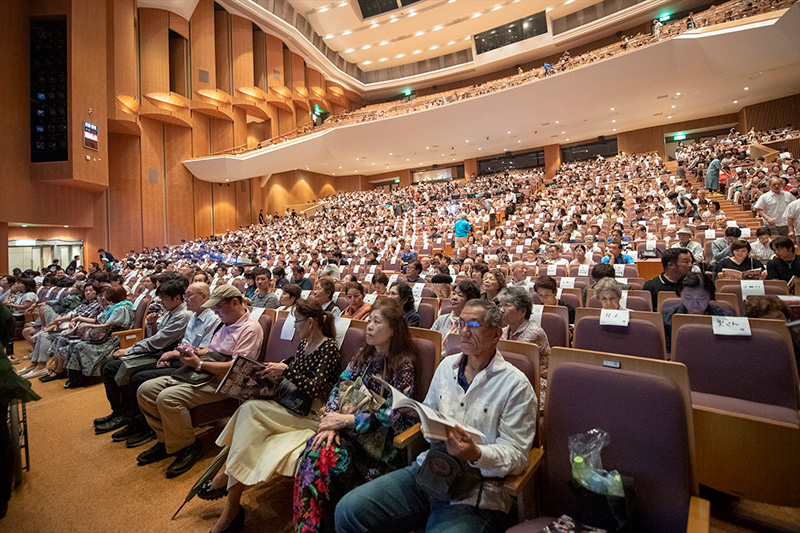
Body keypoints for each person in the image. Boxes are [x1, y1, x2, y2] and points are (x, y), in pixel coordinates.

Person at [335, 299, 537, 533]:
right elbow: (428, 413)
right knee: (348, 511)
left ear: (495, 334)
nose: (464, 331)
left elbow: (518, 453)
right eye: (461, 323)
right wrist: (424, 420)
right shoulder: (447, 367)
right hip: (429, 472)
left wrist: (475, 453)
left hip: (476, 491)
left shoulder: (515, 385)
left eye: (473, 324)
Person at [202, 299, 341, 533]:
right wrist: (275, 370)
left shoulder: (329, 349)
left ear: (309, 322)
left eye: (296, 321)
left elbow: (316, 388)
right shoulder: (304, 343)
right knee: (249, 419)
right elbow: (295, 371)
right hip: (291, 405)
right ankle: (231, 505)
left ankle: (226, 482)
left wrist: (288, 371)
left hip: (311, 413)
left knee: (248, 410)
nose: (294, 326)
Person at [293, 299, 419, 532]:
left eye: (376, 322)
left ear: (393, 330)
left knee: (328, 461)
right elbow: (339, 386)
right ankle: (310, 527)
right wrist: (330, 420)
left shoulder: (404, 364)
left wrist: (347, 420)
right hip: (350, 433)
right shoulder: (364, 356)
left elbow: (394, 413)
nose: (369, 326)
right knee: (313, 450)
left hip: (382, 445)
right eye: (369, 320)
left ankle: (322, 525)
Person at [135, 285, 264, 478]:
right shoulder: (225, 323)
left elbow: (237, 367)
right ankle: (166, 440)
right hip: (204, 374)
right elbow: (210, 350)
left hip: (225, 382)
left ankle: (188, 447)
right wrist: (194, 352)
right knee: (145, 389)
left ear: (235, 303)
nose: (216, 312)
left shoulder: (250, 329)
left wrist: (200, 363)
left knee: (168, 398)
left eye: (219, 307)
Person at [93, 280, 197, 445]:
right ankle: (121, 412)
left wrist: (128, 350)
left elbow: (158, 342)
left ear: (177, 298)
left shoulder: (183, 315)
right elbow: (156, 337)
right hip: (159, 351)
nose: (161, 303)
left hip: (165, 355)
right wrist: (152, 324)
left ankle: (140, 422)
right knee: (108, 365)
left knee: (132, 374)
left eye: (164, 299)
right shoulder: (170, 311)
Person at [21, 283, 104, 380]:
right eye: (86, 291)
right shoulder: (84, 303)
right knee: (43, 335)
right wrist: (59, 321)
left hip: (77, 329)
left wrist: (60, 320)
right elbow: (71, 313)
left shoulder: (96, 305)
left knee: (45, 322)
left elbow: (82, 317)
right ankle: (34, 364)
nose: (88, 293)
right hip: (67, 325)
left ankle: (42, 366)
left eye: (91, 290)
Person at [61, 285, 135, 389]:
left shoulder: (121, 309)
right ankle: (76, 378)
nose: (104, 298)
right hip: (109, 335)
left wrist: (88, 325)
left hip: (115, 338)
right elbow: (100, 321)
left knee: (80, 346)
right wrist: (82, 320)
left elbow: (108, 325)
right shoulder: (116, 307)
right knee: (76, 345)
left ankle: (83, 379)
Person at [496, 287, 551, 404]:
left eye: (506, 305)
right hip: (510, 379)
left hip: (534, 383)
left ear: (522, 312)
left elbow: (515, 363)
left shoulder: (534, 332)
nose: (501, 310)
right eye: (500, 305)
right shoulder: (505, 330)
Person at [662, 273, 734, 353]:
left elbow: (729, 348)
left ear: (710, 295)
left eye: (702, 298)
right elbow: (666, 351)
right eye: (689, 298)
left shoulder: (725, 316)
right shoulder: (666, 317)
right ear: (680, 294)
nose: (695, 303)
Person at [432, 280, 481, 344]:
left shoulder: (475, 324)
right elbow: (430, 343)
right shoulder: (441, 319)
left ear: (470, 301)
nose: (454, 298)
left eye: (460, 295)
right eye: (454, 293)